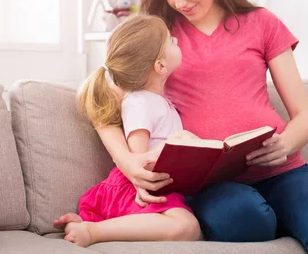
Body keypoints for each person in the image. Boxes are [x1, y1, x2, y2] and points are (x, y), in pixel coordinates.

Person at [89, 0, 308, 253]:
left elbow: (305, 117)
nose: (179, 1)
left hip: (284, 171)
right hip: (211, 182)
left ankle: (293, 213)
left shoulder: (263, 23)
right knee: (243, 219)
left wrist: (286, 143)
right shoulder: (160, 38)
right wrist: (128, 163)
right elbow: (100, 104)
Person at [53, 14, 201, 247]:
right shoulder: (140, 102)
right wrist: (180, 142)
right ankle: (94, 230)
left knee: (191, 226)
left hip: (155, 186)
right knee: (188, 228)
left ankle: (80, 223)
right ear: (160, 65)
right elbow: (138, 160)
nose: (177, 41)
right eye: (171, 41)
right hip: (133, 187)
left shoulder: (157, 101)